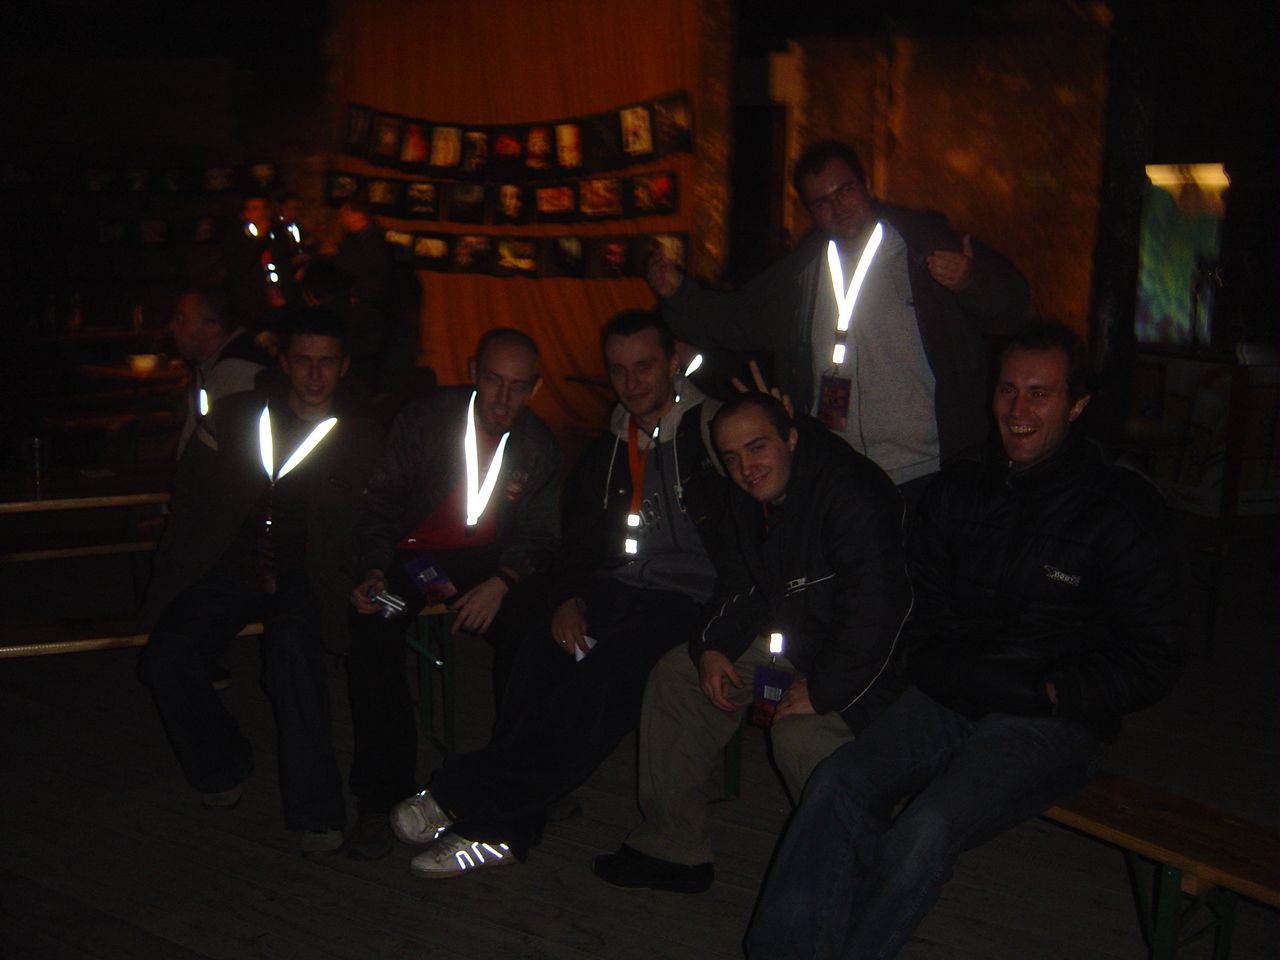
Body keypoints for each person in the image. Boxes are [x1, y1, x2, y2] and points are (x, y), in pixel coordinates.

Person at [744, 322, 1183, 960]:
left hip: (1050, 717)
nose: (1018, 409)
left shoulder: (1121, 506)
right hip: (952, 693)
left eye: (1040, 393)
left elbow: (1156, 651)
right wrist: (931, 661)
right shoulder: (961, 486)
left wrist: (1056, 691)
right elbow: (917, 600)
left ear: (1077, 404)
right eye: (1008, 390)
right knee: (839, 783)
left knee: (928, 826)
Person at [387, 310, 727, 877]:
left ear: (673, 362)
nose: (631, 382)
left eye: (644, 366)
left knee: (603, 678)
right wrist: (569, 597)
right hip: (618, 585)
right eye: (618, 370)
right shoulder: (611, 444)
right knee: (540, 650)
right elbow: (577, 539)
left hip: (691, 598)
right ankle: (507, 827)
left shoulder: (714, 431)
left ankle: (460, 795)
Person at [592, 393, 911, 892]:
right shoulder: (745, 497)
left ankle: (860, 869)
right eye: (732, 457)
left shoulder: (852, 492)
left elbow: (879, 612)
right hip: (794, 640)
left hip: (876, 665)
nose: (746, 468)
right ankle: (673, 847)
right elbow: (740, 584)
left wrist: (822, 690)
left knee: (799, 736)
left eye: (757, 447)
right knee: (679, 677)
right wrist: (712, 646)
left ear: (791, 438)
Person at [649, 139, 1031, 509]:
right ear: (811, 211)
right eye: (822, 202)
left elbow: (1014, 310)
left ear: (866, 185)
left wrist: (970, 280)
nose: (837, 207)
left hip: (933, 474)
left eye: (845, 191)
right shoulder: (800, 274)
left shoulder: (926, 248)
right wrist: (678, 292)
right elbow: (738, 320)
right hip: (844, 475)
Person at [138, 309, 384, 854]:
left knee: (294, 655)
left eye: (326, 362)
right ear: (284, 362)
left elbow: (381, 518)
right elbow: (191, 500)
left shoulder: (364, 436)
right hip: (233, 565)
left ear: (344, 367)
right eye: (303, 360)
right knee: (166, 657)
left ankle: (317, 812)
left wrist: (371, 569)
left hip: (309, 573)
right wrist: (170, 576)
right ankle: (222, 764)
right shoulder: (237, 415)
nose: (314, 375)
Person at [344, 328, 560, 859]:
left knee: (535, 635)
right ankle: (381, 795)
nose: (503, 398)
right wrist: (373, 567)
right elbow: (381, 501)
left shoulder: (538, 444)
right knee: (373, 625)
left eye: (518, 386)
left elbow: (540, 533)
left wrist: (503, 581)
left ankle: (521, 778)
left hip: (489, 561)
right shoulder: (426, 420)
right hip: (412, 558)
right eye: (494, 380)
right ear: (472, 372)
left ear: (534, 388)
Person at [169, 286, 267, 457]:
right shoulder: (208, 364)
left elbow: (232, 451)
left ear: (212, 326)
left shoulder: (236, 372)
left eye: (181, 320)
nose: (172, 327)